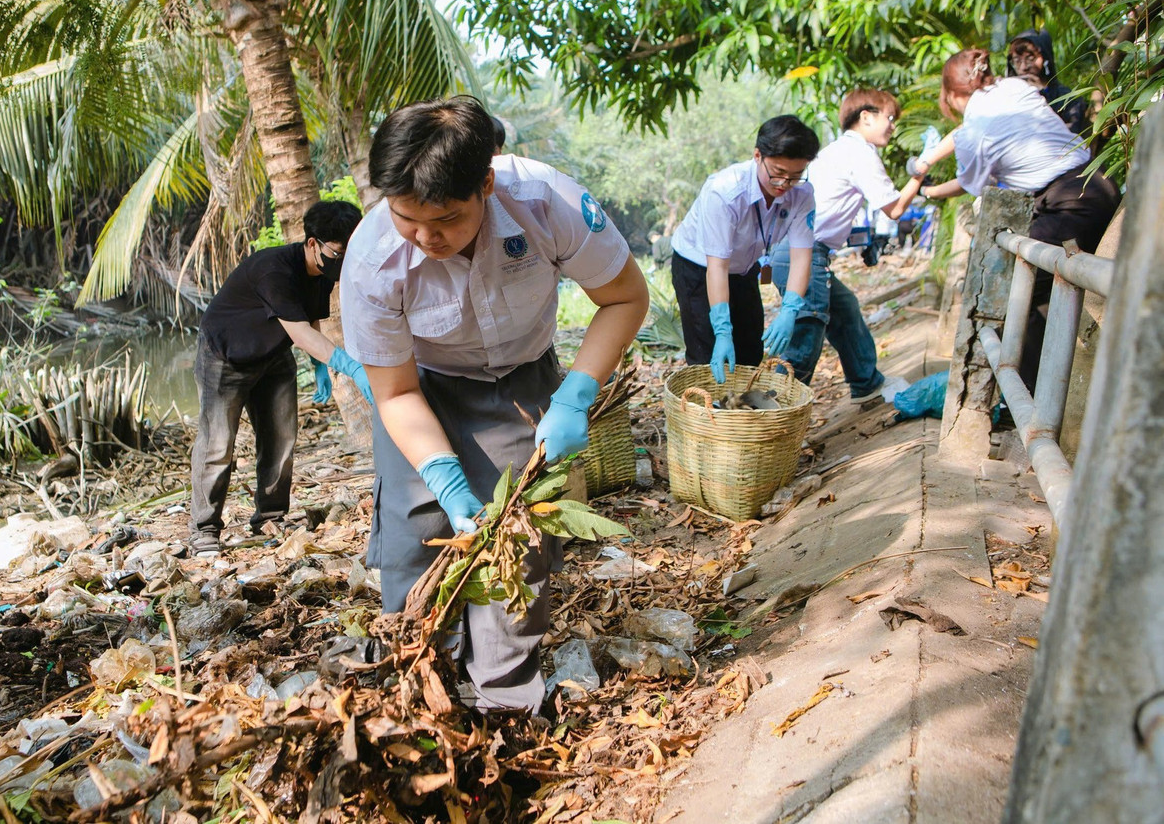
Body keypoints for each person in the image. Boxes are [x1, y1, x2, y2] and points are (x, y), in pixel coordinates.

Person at [341, 96, 648, 712]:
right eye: (406, 218)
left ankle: (504, 700)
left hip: (521, 378)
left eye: (446, 220)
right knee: (414, 535)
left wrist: (576, 394)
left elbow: (624, 297)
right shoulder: (373, 258)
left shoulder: (547, 204)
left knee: (517, 540)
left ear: (486, 182)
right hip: (422, 388)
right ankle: (415, 682)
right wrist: (445, 479)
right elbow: (395, 391)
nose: (426, 238)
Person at [919, 48, 1120, 389]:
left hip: (1068, 203)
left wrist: (928, 191)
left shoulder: (973, 131)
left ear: (952, 95)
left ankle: (1029, 397)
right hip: (1097, 181)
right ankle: (1040, 392)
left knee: (1013, 288)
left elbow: (973, 185)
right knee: (1045, 287)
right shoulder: (1013, 87)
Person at [189, 199, 374, 555]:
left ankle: (270, 516)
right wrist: (351, 367)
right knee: (217, 444)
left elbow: (312, 321)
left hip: (273, 355)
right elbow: (301, 334)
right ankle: (204, 529)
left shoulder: (322, 274)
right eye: (338, 253)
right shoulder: (274, 271)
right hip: (225, 356)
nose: (343, 261)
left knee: (281, 438)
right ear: (312, 243)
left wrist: (319, 366)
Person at [770, 90, 926, 398]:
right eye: (889, 117)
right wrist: (920, 174)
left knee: (845, 310)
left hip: (799, 250)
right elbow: (894, 209)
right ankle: (776, 406)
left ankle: (867, 383)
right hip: (803, 253)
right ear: (866, 117)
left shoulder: (837, 150)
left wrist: (864, 239)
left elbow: (831, 211)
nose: (892, 126)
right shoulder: (860, 153)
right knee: (807, 334)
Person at [670, 115, 819, 383]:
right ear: (758, 155)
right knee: (708, 356)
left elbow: (801, 257)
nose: (784, 184)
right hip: (699, 267)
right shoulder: (725, 191)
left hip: (745, 267)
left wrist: (790, 309)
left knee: (750, 351)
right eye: (778, 173)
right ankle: (708, 408)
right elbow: (717, 266)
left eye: (795, 176)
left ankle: (743, 408)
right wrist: (722, 331)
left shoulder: (802, 195)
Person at [1006, 29, 1090, 137]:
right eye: (1017, 61)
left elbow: (1070, 138)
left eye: (1030, 59)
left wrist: (1042, 94)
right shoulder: (1006, 97)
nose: (1023, 67)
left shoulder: (1067, 99)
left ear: (1045, 58)